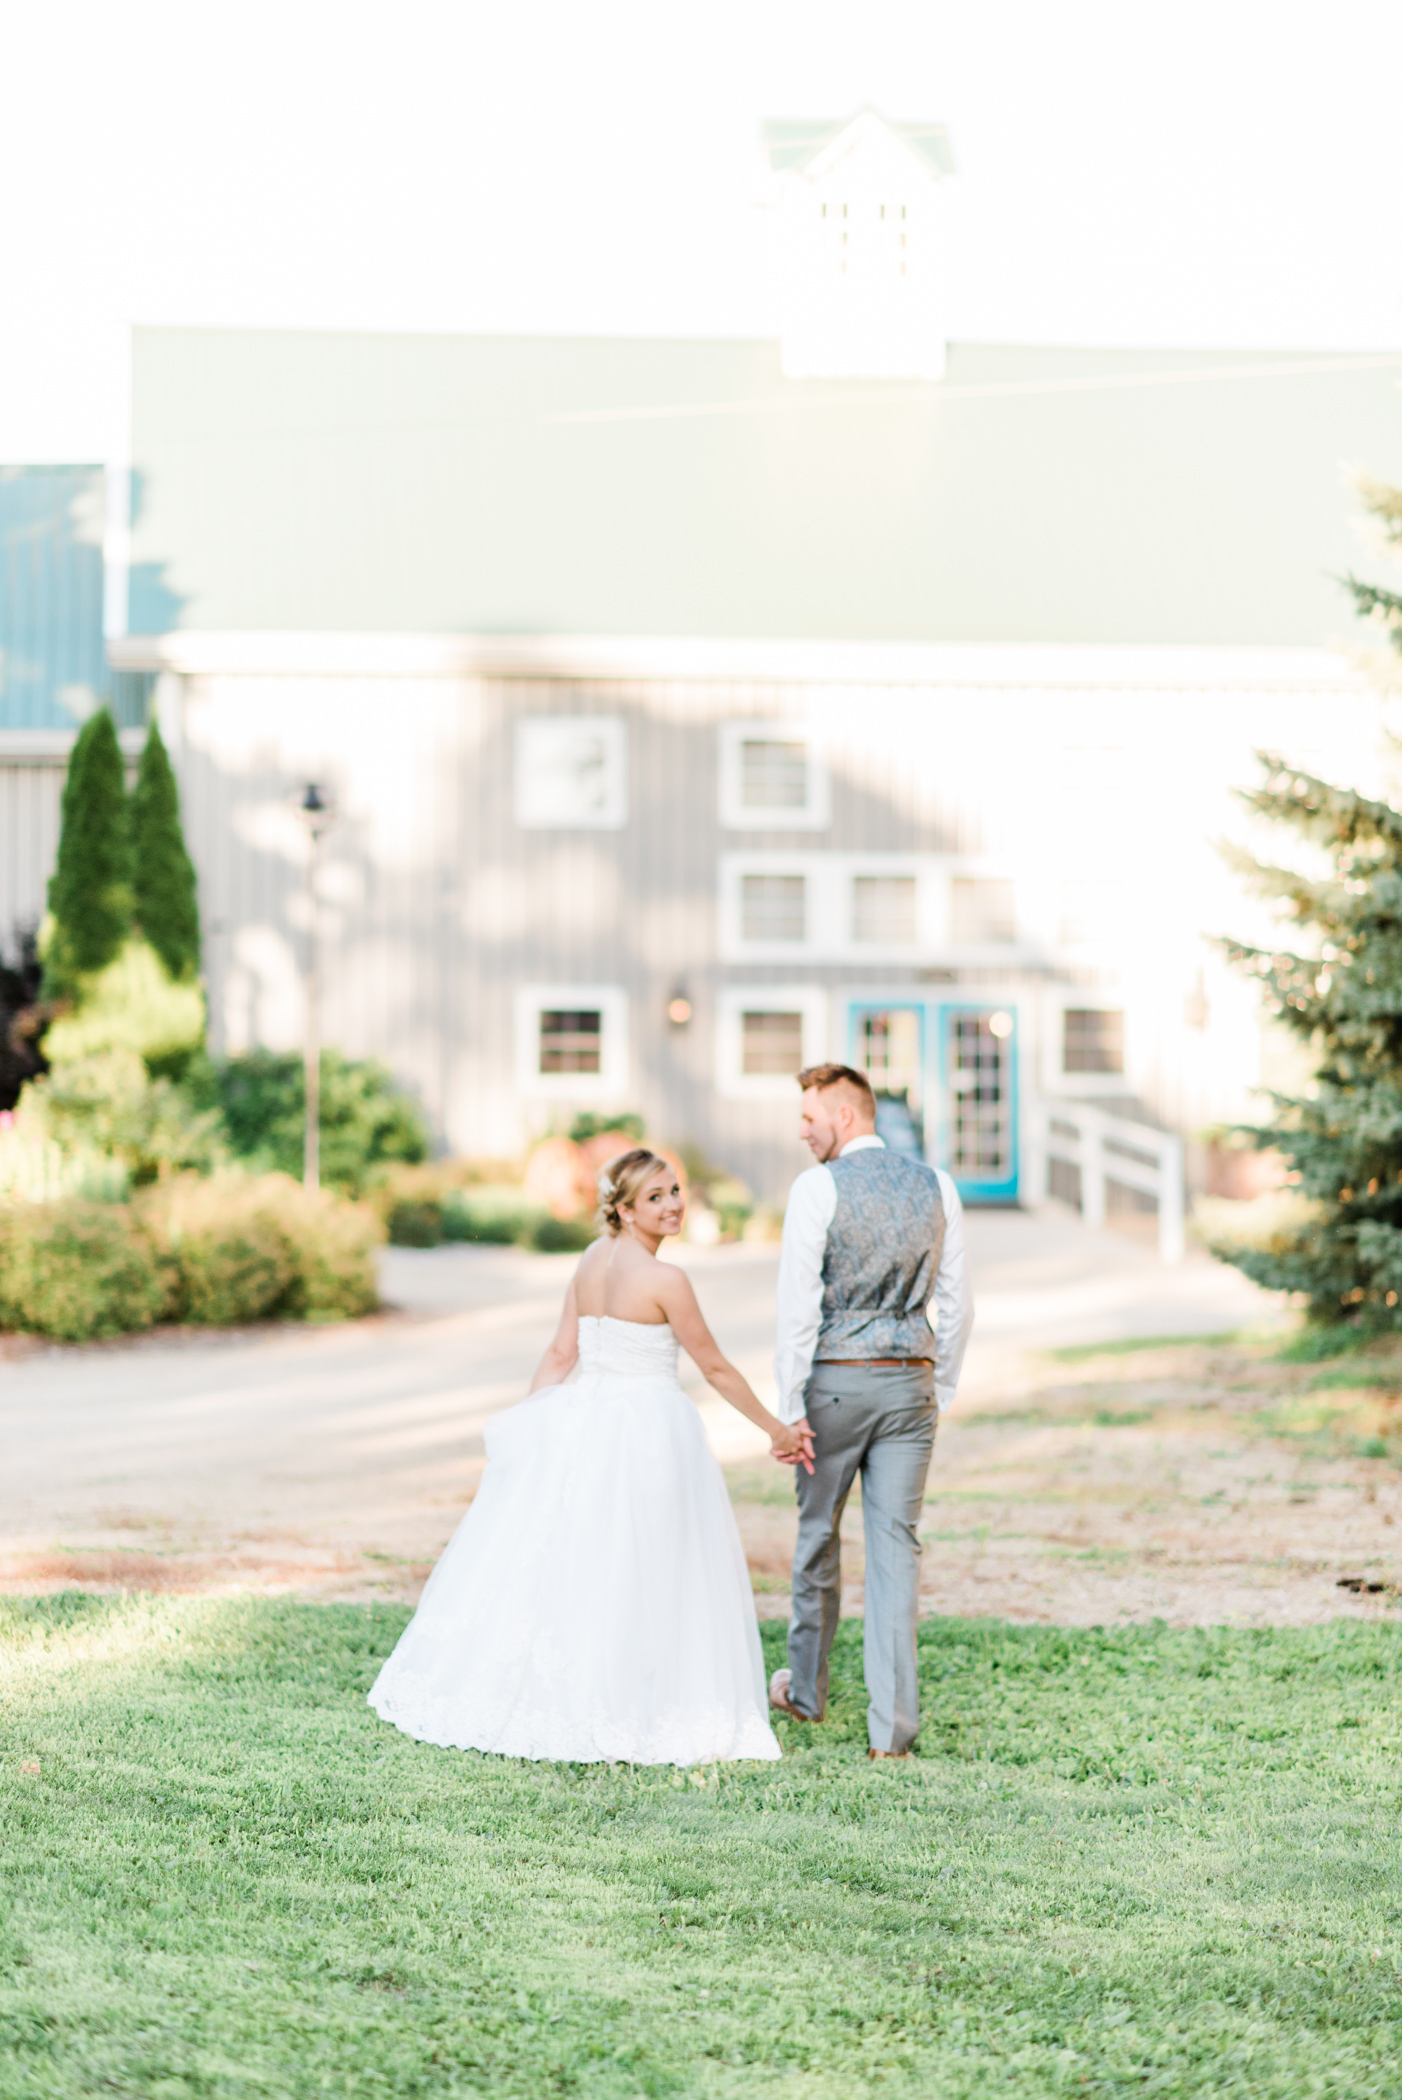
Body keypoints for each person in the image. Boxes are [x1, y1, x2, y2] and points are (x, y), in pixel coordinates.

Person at [368, 1147, 813, 1766]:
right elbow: (711, 1366)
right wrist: (775, 1429)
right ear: (625, 1210)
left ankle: (590, 1685)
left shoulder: (590, 1260)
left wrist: (530, 1430)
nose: (674, 1204)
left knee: (579, 1561)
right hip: (646, 1428)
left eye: (676, 1190)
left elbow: (559, 1356)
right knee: (647, 1562)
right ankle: (635, 1700)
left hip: (584, 1420)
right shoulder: (666, 1280)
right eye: (655, 1197)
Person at [767, 1064, 973, 1759]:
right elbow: (958, 1301)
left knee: (818, 1534)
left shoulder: (817, 1188)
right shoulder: (937, 1186)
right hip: (910, 1385)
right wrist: (936, 1387)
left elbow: (797, 1307)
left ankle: (806, 1692)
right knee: (896, 1552)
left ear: (846, 1116)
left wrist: (788, 1405)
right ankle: (892, 1732)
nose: (802, 1129)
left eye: (809, 1116)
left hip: (834, 1385)